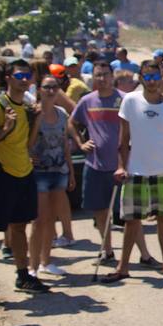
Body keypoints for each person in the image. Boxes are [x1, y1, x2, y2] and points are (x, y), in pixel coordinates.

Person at [102, 60, 163, 282]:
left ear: (162, 78)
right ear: (141, 79)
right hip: (136, 170)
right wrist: (121, 165)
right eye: (147, 78)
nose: (152, 82)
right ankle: (123, 267)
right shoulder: (130, 101)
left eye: (155, 77)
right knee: (132, 221)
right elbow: (124, 138)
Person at [0, 59, 49, 300]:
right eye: (19, 76)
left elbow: (28, 145)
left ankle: (23, 275)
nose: (25, 80)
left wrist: (36, 119)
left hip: (23, 173)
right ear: (8, 78)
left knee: (19, 226)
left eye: (28, 75)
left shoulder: (27, 107)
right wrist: (4, 129)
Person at [28, 75, 86, 276]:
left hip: (58, 170)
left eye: (54, 87)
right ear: (39, 90)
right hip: (39, 172)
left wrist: (70, 171)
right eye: (47, 87)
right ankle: (32, 266)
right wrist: (37, 120)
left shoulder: (61, 114)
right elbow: (28, 142)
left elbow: (64, 143)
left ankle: (46, 261)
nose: (51, 91)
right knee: (39, 220)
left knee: (51, 219)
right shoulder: (33, 112)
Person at [71, 63, 124, 262]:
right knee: (100, 212)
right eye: (98, 75)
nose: (102, 79)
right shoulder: (87, 101)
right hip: (95, 165)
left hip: (120, 166)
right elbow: (72, 123)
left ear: (112, 76)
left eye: (105, 75)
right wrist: (80, 143)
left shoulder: (124, 100)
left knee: (128, 215)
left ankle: (142, 255)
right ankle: (107, 250)